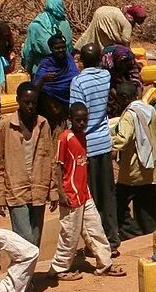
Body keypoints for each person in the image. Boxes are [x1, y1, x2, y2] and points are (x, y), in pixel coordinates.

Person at [49, 101, 122, 280]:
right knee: (70, 234)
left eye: (84, 120)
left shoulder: (83, 137)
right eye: (78, 120)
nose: (81, 124)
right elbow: (57, 167)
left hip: (84, 192)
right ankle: (59, 268)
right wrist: (60, 192)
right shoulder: (64, 138)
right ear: (70, 120)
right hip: (70, 194)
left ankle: (105, 264)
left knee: (95, 228)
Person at [0, 84, 58, 248]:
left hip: (39, 188)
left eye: (33, 103)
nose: (30, 107)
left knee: (35, 241)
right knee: (24, 240)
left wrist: (53, 190)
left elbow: (50, 158)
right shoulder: (6, 126)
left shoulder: (43, 124)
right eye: (26, 102)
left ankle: (29, 274)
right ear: (18, 101)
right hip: (16, 189)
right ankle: (23, 273)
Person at [70, 42, 118, 242]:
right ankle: (112, 238)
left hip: (86, 145)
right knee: (107, 192)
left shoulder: (78, 82)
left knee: (91, 196)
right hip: (104, 142)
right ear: (99, 60)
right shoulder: (106, 77)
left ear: (81, 61)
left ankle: (97, 241)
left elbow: (76, 114)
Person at [112, 80, 156, 240]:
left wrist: (106, 139)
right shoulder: (149, 109)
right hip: (152, 166)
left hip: (134, 170)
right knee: (146, 206)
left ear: (122, 98)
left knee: (117, 204)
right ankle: (149, 235)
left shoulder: (130, 114)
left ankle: (133, 234)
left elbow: (122, 140)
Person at [23, 0, 71, 75]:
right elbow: (70, 49)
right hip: (64, 70)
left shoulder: (36, 26)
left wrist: (27, 69)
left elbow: (28, 52)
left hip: (43, 72)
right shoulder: (65, 23)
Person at [31, 31, 78, 110]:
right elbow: (35, 89)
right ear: (51, 49)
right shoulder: (46, 64)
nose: (61, 50)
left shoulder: (69, 59)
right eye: (57, 48)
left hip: (71, 102)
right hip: (52, 106)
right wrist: (43, 80)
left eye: (63, 47)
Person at [77, 3, 146, 51]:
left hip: (102, 10)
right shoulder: (127, 24)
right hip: (105, 16)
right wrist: (130, 53)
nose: (142, 20)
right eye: (141, 18)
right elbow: (125, 40)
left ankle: (78, 48)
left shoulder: (124, 13)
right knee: (104, 42)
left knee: (91, 33)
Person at [101, 43, 142, 117]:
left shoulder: (130, 60)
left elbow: (136, 80)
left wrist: (137, 101)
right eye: (122, 64)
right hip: (110, 72)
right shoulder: (107, 61)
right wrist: (119, 98)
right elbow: (109, 84)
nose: (124, 65)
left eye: (125, 64)